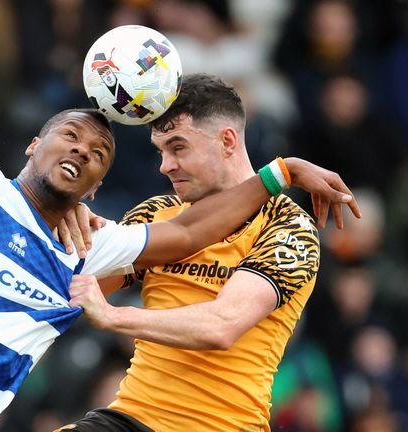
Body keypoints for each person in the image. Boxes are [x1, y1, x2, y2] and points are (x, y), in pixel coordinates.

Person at [0, 8, 359, 432]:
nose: (164, 165)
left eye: (99, 154)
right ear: (34, 143)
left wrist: (281, 171)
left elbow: (215, 310)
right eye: (70, 138)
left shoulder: (287, 226)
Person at [55, 73, 352, 432]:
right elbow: (70, 291)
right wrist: (66, 216)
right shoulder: (156, 214)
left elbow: (221, 326)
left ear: (227, 141)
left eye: (178, 148)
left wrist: (114, 317)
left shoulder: (289, 227)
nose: (165, 165)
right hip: (129, 417)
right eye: (161, 151)